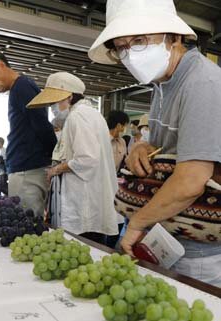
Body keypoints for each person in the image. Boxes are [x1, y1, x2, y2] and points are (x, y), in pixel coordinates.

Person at [88, 0, 221, 286]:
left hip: (197, 248)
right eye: (121, 47)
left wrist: (137, 223)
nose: (130, 55)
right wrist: (142, 147)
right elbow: (168, 147)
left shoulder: (203, 84)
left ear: (173, 37)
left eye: (139, 40)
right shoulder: (162, 84)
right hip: (165, 233)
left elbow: (190, 181)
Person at [27, 71, 119, 244]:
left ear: (68, 97)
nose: (53, 108)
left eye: (55, 102)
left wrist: (56, 169)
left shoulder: (77, 116)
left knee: (82, 246)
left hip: (84, 200)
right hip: (92, 196)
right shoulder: (91, 113)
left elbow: (87, 158)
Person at [0, 49, 57, 215]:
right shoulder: (18, 89)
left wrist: (54, 156)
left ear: (0, 65)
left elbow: (41, 125)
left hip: (28, 170)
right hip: (25, 168)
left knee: (27, 227)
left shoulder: (22, 86)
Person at [106, 110, 129, 248]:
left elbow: (124, 162)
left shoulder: (122, 142)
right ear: (119, 125)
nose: (125, 127)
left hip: (115, 183)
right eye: (124, 124)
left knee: (119, 217)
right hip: (102, 184)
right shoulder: (102, 139)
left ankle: (111, 245)